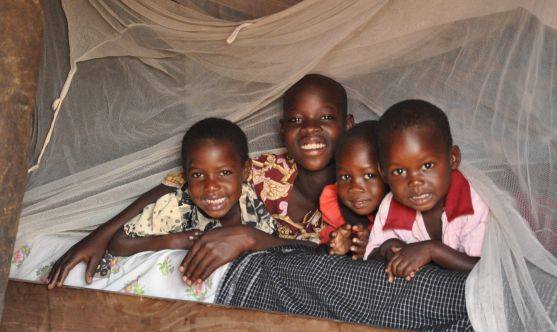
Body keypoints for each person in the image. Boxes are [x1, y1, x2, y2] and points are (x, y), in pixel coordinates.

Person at [48, 73, 354, 288]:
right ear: (281, 127)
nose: (310, 130)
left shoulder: (360, 187)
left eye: (326, 118)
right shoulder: (263, 170)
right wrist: (100, 235)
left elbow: (328, 255)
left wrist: (249, 237)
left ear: (348, 125)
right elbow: (173, 185)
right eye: (297, 120)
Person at [106, 118, 278, 289]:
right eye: (197, 175)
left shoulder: (258, 199)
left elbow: (276, 245)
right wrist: (173, 242)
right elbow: (118, 243)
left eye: (224, 172)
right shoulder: (177, 206)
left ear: (245, 171)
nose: (211, 187)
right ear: (186, 175)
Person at [365, 99, 489, 283]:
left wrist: (432, 250)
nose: (415, 182)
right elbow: (369, 259)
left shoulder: (474, 201)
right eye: (399, 171)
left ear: (453, 159)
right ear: (383, 174)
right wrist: (388, 249)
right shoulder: (390, 205)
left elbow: (487, 268)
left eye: (427, 165)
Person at [319, 121, 386, 259]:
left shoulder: (403, 209)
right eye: (345, 177)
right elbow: (328, 243)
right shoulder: (336, 204)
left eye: (369, 175)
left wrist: (374, 249)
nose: (355, 188)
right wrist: (341, 245)